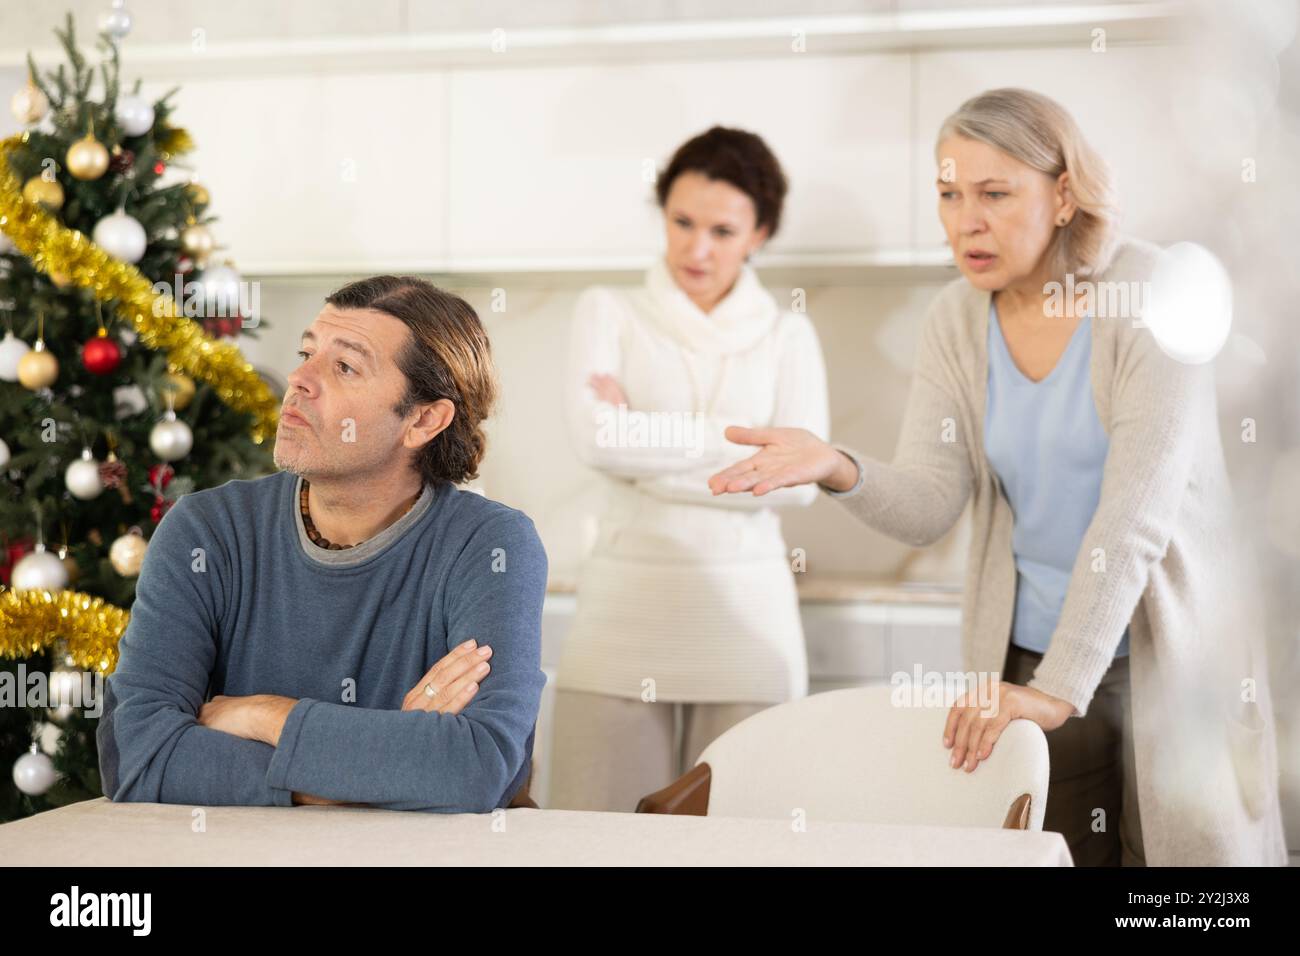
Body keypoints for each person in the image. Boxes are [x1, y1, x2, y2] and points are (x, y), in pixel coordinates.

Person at [707, 89, 1288, 866]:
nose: (964, 221)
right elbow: (931, 499)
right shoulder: (956, 317)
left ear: (1063, 195)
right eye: (947, 195)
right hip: (1027, 668)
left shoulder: (1151, 294)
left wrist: (1063, 688)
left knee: (1185, 897)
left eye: (994, 193)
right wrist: (839, 466)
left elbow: (1136, 514)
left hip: (1163, 657)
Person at [97, 275, 548, 811]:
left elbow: (477, 767)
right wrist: (379, 772)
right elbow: (140, 757)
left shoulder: (491, 546)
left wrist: (264, 715)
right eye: (306, 352)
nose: (299, 378)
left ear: (424, 419)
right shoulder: (205, 532)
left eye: (344, 367)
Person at [549, 126, 830, 812]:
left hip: (748, 623)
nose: (696, 248)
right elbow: (595, 440)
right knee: (595, 843)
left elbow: (802, 484)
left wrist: (642, 447)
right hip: (622, 611)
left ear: (759, 233)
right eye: (681, 221)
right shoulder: (607, 311)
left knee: (743, 845)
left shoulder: (787, 332)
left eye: (722, 230)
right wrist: (741, 452)